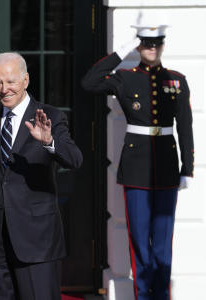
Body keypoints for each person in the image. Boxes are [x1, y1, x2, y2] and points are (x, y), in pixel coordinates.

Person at [82, 24, 194, 300]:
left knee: (163, 243)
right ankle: (143, 295)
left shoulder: (177, 80)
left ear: (163, 46)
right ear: (139, 46)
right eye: (145, 43)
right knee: (140, 240)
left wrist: (187, 168)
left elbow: (186, 127)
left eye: (155, 44)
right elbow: (90, 82)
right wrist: (122, 51)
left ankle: (161, 296)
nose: (151, 48)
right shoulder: (124, 78)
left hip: (167, 166)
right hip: (135, 167)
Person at [0, 52, 83, 300]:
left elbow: (74, 159)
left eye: (11, 81)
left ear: (26, 80)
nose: (4, 89)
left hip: (38, 239)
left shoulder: (50, 116)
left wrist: (50, 142)